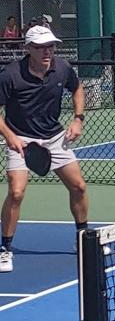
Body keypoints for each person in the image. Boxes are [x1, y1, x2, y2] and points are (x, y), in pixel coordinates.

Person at [0, 26, 88, 273]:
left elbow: (77, 89)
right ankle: (5, 249)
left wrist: (78, 119)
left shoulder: (62, 68)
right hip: (21, 139)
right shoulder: (9, 75)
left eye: (50, 46)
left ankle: (82, 237)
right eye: (40, 47)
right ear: (28, 49)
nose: (46, 51)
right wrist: (10, 136)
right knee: (16, 193)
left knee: (79, 186)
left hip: (55, 137)